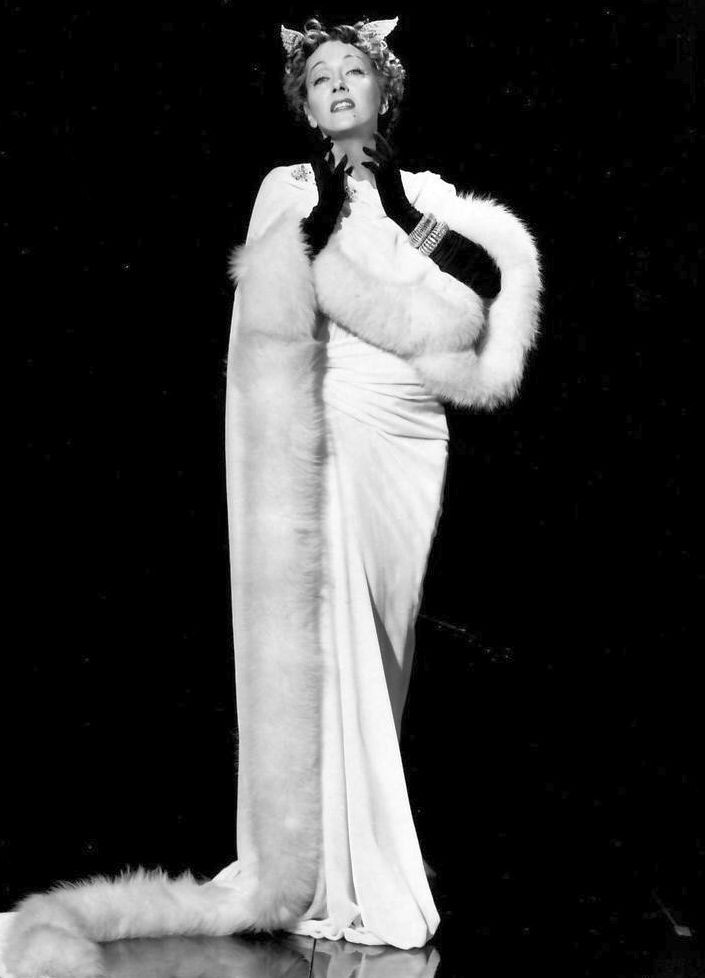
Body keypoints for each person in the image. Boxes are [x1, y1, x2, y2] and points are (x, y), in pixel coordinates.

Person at [1, 15, 542, 976]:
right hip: (325, 423)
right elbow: (267, 316)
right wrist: (325, 219)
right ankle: (334, 874)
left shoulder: (428, 195)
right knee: (331, 648)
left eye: (353, 71)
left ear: (383, 89)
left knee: (382, 649)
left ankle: (354, 856)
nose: (335, 85)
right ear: (302, 100)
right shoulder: (286, 187)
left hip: (406, 430)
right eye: (319, 75)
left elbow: (481, 318)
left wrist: (400, 216)